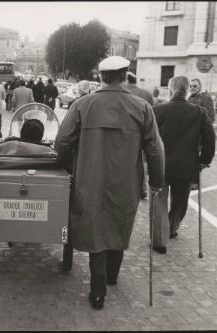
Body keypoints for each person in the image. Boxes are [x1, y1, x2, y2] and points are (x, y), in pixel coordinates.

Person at [54, 56, 165, 310]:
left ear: (101, 77)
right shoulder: (142, 107)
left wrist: (62, 165)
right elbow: (155, 150)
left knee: (96, 229)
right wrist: (157, 181)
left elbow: (62, 141)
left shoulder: (83, 105)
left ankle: (98, 288)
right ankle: (112, 275)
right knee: (119, 223)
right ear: (125, 75)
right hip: (126, 180)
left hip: (89, 178)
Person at [152, 76, 215, 253]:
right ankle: (171, 228)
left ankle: (159, 240)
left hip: (161, 164)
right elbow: (210, 137)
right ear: (187, 90)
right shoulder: (199, 112)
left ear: (171, 90)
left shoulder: (158, 110)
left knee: (159, 202)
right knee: (180, 202)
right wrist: (204, 160)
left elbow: (148, 138)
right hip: (187, 166)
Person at [126, 72, 155, 200]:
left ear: (126, 80)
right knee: (142, 162)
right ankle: (142, 189)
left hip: (127, 134)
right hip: (143, 132)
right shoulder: (147, 94)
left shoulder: (124, 93)